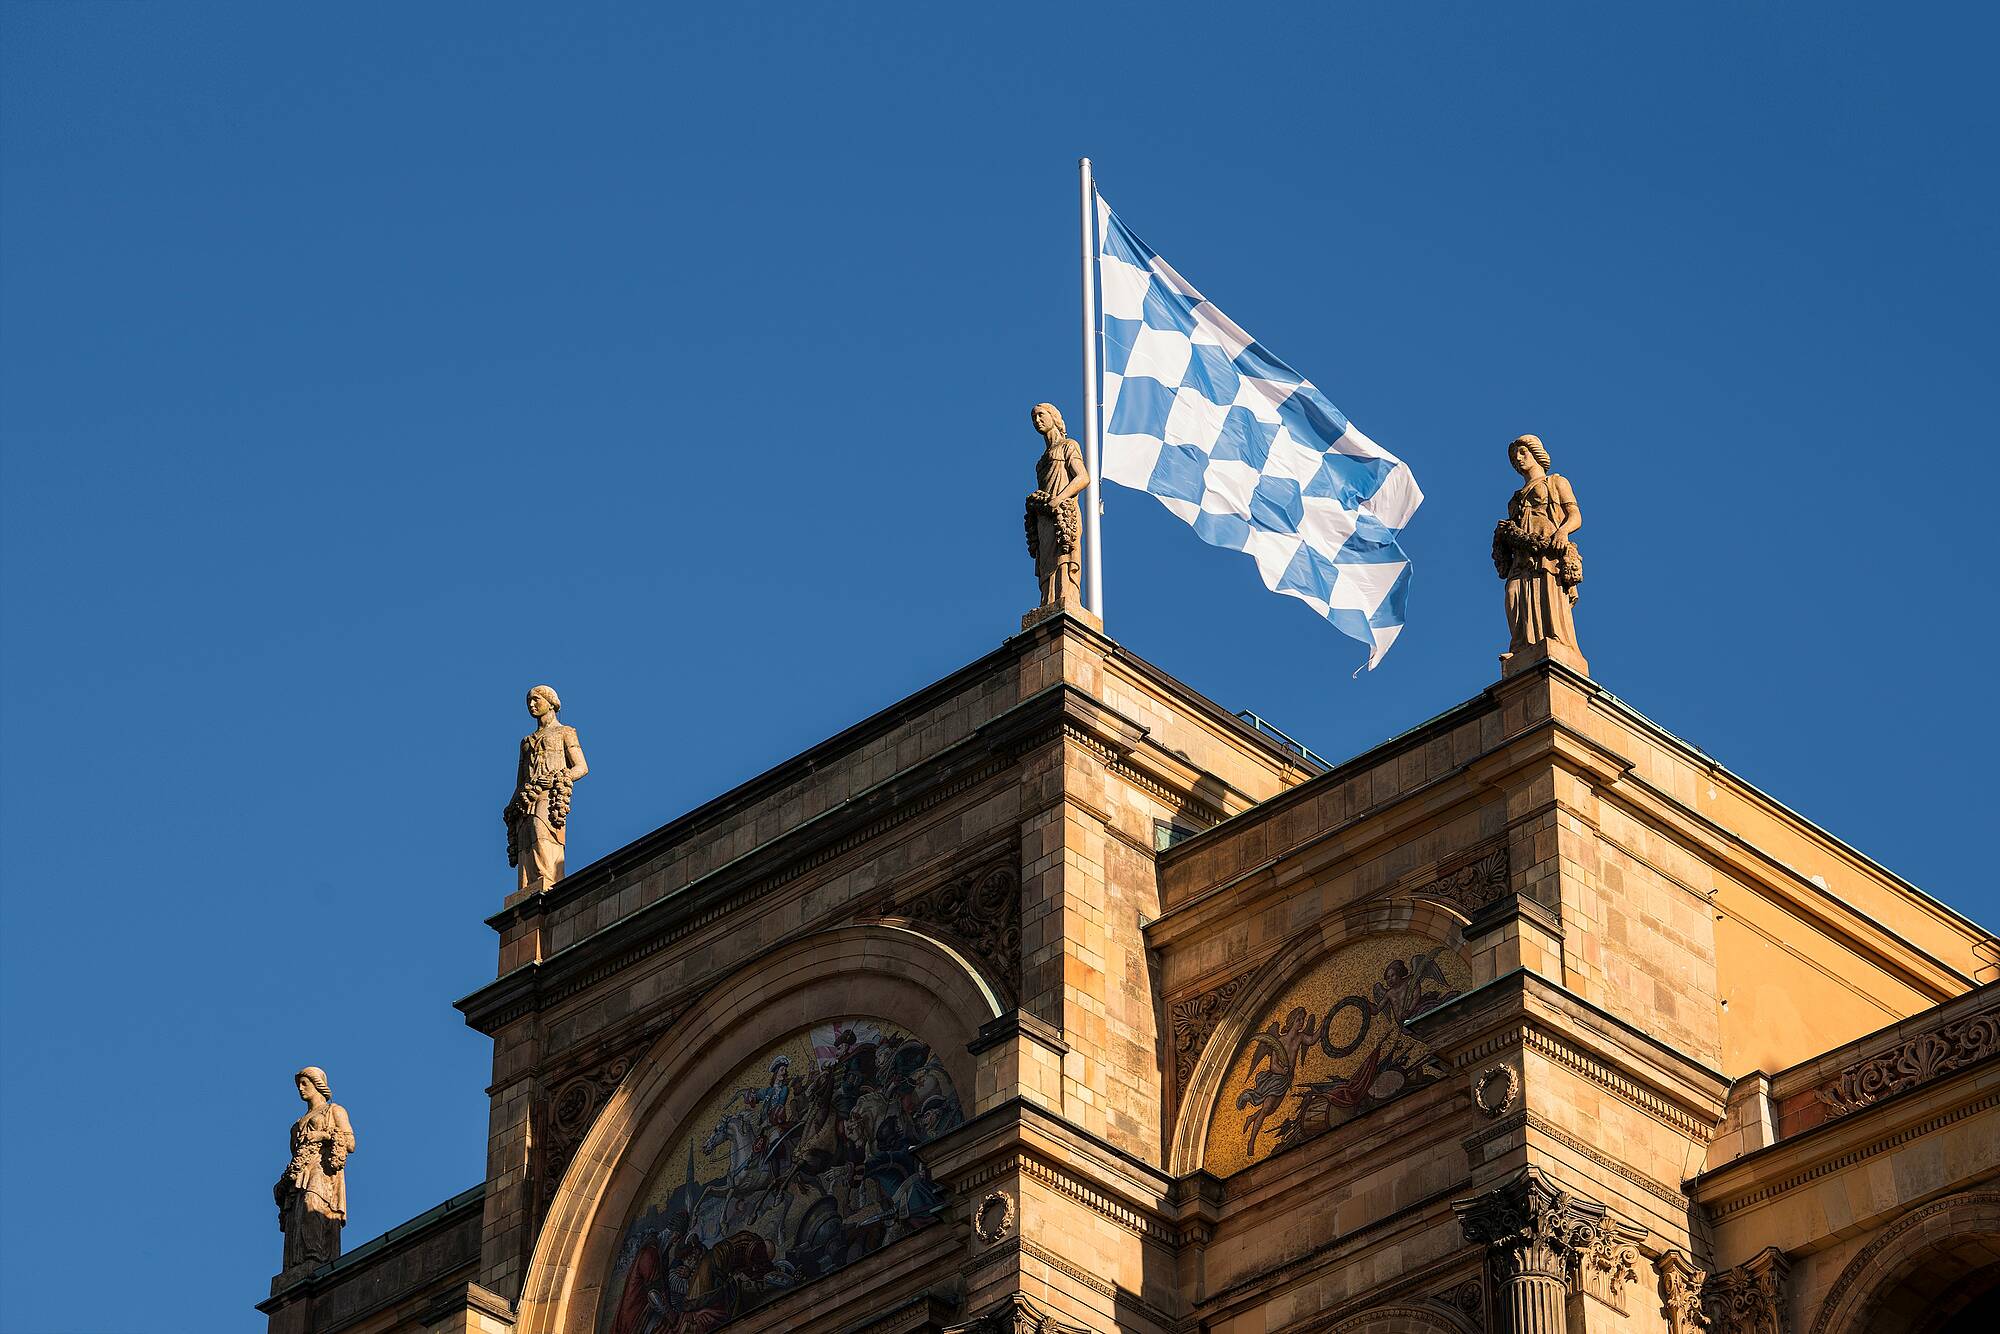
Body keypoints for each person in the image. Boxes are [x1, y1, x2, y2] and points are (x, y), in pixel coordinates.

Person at [1492, 434, 1583, 663]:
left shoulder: (1555, 482)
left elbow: (1575, 516)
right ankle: (1521, 647)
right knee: (1514, 594)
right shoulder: (1515, 499)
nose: (1518, 459)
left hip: (1548, 550)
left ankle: (1555, 641)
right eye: (1514, 456)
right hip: (1522, 555)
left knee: (1548, 594)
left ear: (1536, 453)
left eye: (1523, 453)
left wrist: (1562, 532)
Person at [504, 685, 587, 893]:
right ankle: (528, 888)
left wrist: (558, 778)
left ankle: (549, 882)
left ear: (551, 703)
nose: (531, 705)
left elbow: (581, 767)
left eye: (536, 700)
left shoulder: (565, 732)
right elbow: (520, 782)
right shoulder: (526, 742)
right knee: (526, 838)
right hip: (527, 798)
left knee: (541, 830)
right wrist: (510, 807)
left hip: (550, 794)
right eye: (529, 702)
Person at [274, 1066, 357, 1272]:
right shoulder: (296, 1125)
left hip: (322, 1170)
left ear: (317, 1084)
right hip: (300, 1173)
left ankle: (316, 1255)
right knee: (299, 1213)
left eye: (305, 1083)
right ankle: (299, 1263)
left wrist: (323, 1135)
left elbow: (350, 1142)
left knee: (314, 1204)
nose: (300, 1089)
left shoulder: (334, 1110)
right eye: (299, 1085)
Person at [1025, 403, 1090, 610]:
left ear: (1054, 417)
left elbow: (1083, 478)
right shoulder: (1041, 461)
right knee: (1046, 562)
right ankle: (1048, 603)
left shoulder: (1068, 445)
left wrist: (1059, 499)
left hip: (1064, 514)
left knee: (1064, 557)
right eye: (1033, 417)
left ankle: (1066, 599)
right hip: (1045, 517)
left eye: (1041, 415)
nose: (1037, 420)